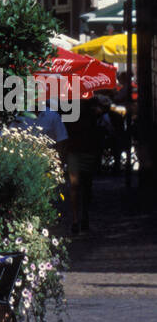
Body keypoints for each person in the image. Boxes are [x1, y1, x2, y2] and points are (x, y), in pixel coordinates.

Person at [66, 97, 103, 234]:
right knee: (75, 185)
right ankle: (76, 219)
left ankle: (85, 215)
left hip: (88, 149)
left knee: (87, 186)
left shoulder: (91, 105)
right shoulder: (68, 104)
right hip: (74, 150)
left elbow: (101, 112)